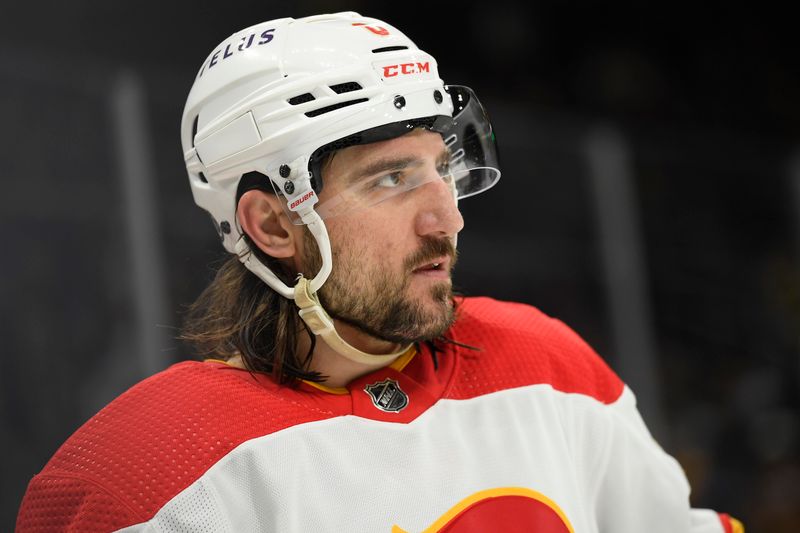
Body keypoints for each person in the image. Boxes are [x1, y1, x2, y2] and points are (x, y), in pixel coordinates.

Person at [17, 11, 743, 533]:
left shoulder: (546, 368)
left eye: (441, 168)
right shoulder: (145, 477)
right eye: (391, 180)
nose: (446, 219)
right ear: (272, 224)